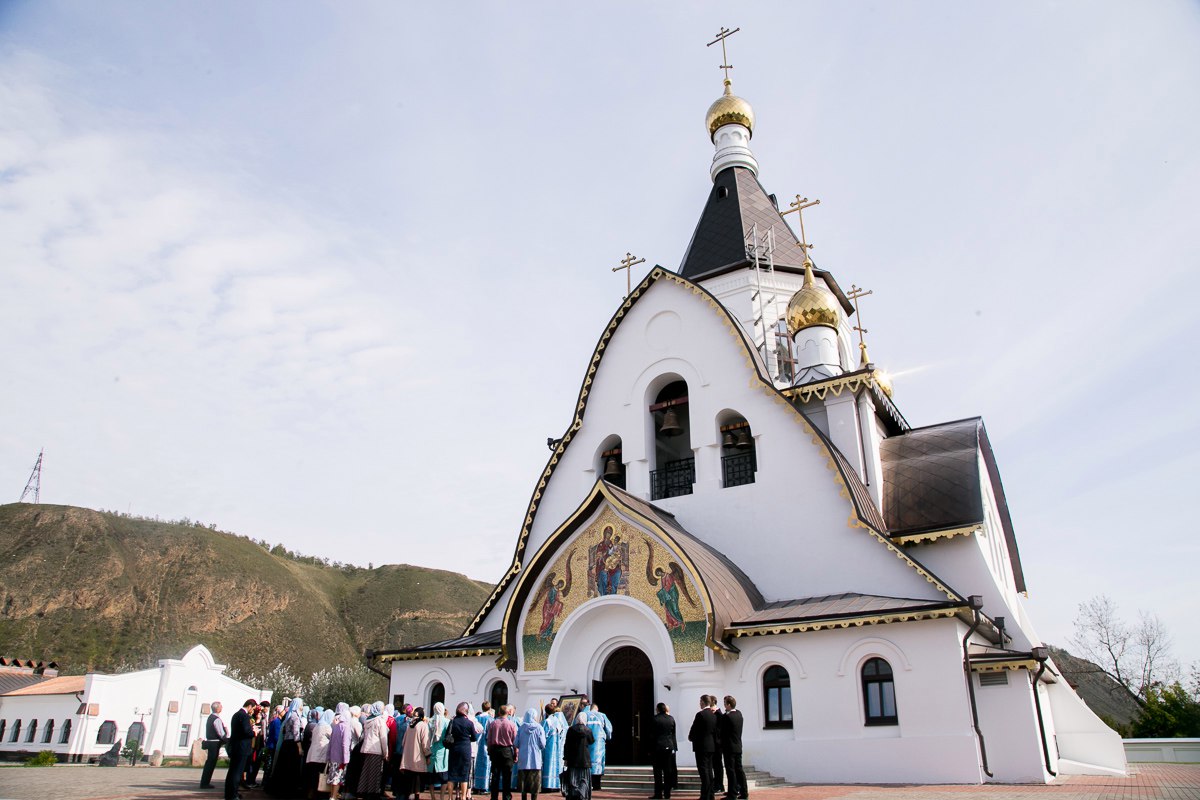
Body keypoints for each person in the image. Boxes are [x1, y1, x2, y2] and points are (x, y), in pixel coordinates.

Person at [267, 698, 306, 797]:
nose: (302, 706)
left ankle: (279, 789)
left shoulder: (289, 716)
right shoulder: (296, 717)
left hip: (286, 744)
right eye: (301, 704)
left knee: (283, 768)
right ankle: (287, 791)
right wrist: (300, 747)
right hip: (292, 745)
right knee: (290, 768)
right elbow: (296, 733)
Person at [446, 702, 479, 800]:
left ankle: (451, 797)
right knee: (464, 774)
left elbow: (447, 735)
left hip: (454, 749)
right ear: (466, 711)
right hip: (465, 749)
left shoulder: (452, 722)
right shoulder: (469, 723)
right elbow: (474, 737)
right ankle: (464, 796)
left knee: (451, 774)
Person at [358, 701, 391, 800]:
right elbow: (383, 738)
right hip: (376, 750)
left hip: (366, 749)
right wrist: (386, 753)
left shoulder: (368, 719)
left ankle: (363, 791)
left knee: (366, 772)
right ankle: (373, 793)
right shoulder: (379, 720)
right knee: (375, 773)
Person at [227, 700, 258, 800]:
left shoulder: (236, 714)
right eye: (252, 709)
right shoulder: (244, 716)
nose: (252, 711)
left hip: (235, 746)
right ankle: (233, 794)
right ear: (249, 706)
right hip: (242, 747)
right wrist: (254, 732)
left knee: (232, 771)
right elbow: (246, 731)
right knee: (237, 772)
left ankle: (229, 793)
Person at [485, 704, 517, 800]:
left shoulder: (493, 723)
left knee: (495, 775)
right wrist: (516, 754)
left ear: (499, 712)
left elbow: (489, 739)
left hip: (495, 750)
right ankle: (506, 797)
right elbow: (515, 741)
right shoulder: (511, 724)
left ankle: (494, 797)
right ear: (508, 713)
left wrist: (489, 751)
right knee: (507, 775)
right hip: (507, 750)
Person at [687, 695, 717, 800]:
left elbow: (694, 728)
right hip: (711, 745)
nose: (699, 703)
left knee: (703, 771)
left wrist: (691, 737)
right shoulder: (714, 715)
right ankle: (710, 794)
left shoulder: (700, 715)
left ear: (703, 702)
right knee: (709, 770)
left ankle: (705, 795)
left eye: (700, 701)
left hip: (701, 746)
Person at [400, 707, 432, 800]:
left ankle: (409, 795)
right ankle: (416, 796)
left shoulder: (410, 724)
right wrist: (428, 755)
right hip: (418, 756)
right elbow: (425, 742)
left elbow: (403, 741)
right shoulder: (423, 725)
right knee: (417, 779)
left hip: (408, 756)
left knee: (410, 778)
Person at [561, 711, 593, 800]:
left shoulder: (571, 730)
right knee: (584, 780)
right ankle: (583, 796)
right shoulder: (588, 730)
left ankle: (574, 796)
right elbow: (591, 741)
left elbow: (566, 745)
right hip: (585, 760)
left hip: (573, 760)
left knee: (573, 781)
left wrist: (565, 758)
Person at [718, 697, 746, 800]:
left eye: (725, 703)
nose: (724, 706)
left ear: (729, 704)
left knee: (731, 771)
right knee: (739, 770)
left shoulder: (727, 717)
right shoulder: (739, 714)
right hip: (738, 745)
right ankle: (744, 792)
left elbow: (722, 732)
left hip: (729, 747)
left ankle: (732, 794)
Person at [515, 708, 545, 800]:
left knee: (523, 784)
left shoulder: (521, 728)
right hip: (535, 760)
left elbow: (516, 743)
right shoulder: (539, 727)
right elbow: (543, 744)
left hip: (523, 759)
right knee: (535, 785)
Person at [651, 703, 677, 800]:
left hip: (658, 747)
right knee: (668, 771)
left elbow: (652, 735)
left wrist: (650, 749)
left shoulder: (655, 719)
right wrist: (674, 746)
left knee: (657, 772)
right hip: (669, 747)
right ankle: (667, 793)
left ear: (658, 709)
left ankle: (658, 793)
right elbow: (673, 733)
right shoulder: (671, 719)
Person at [305, 709, 333, 799]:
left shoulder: (318, 725)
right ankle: (319, 795)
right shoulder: (327, 727)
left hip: (312, 754)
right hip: (321, 755)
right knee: (320, 776)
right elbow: (332, 738)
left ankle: (310, 794)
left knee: (312, 776)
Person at [326, 704, 352, 800]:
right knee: (338, 778)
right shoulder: (346, 727)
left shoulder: (336, 726)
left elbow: (331, 742)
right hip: (341, 757)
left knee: (333, 777)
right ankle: (333, 797)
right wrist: (346, 759)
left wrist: (328, 755)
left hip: (333, 756)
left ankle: (332, 795)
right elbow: (345, 744)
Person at [539, 699, 566, 792]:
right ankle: (555, 785)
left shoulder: (547, 721)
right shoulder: (557, 720)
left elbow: (543, 735)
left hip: (548, 747)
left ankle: (547, 785)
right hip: (557, 746)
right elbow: (562, 732)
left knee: (548, 764)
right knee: (555, 765)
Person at [200, 701, 228, 790]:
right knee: (211, 762)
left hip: (211, 742)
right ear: (218, 708)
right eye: (221, 706)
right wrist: (226, 739)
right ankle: (205, 783)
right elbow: (220, 732)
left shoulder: (210, 718)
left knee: (210, 762)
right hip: (214, 743)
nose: (222, 708)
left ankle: (205, 782)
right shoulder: (216, 719)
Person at [583, 704, 611, 790]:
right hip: (599, 742)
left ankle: (588, 784)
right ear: (597, 709)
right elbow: (609, 729)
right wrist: (608, 737)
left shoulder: (585, 715)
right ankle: (597, 785)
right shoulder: (602, 715)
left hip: (587, 742)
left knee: (588, 762)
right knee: (598, 763)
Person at [473, 702, 494, 794]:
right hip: (485, 745)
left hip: (476, 745)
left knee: (475, 766)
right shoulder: (490, 719)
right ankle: (484, 787)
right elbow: (490, 734)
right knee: (485, 765)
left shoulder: (476, 718)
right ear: (489, 709)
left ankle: (475, 786)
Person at [708, 696, 724, 794]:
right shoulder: (714, 713)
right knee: (715, 764)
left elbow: (719, 730)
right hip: (714, 743)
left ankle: (719, 784)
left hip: (717, 743)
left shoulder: (718, 714)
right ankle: (717, 784)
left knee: (717, 765)